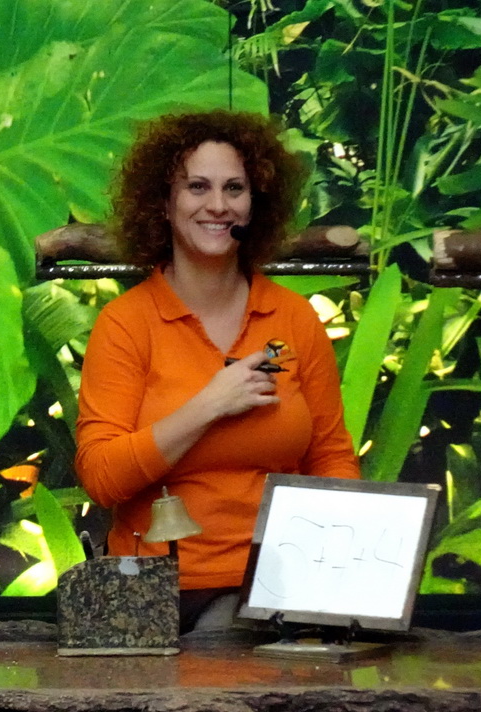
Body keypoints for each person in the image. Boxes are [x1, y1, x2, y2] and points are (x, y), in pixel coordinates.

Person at [74, 109, 360, 633]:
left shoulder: (292, 320)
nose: (218, 205)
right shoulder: (126, 323)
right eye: (197, 187)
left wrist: (339, 576)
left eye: (235, 188)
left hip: (276, 585)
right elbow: (101, 478)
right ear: (163, 204)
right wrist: (209, 405)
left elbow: (331, 457)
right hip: (152, 594)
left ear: (255, 204)